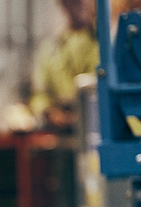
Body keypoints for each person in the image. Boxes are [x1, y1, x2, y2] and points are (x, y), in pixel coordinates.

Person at [29, 0, 99, 132]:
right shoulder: (51, 47)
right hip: (61, 133)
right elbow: (39, 94)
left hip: (97, 126)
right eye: (72, 2)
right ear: (63, 5)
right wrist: (49, 112)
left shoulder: (107, 42)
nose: (80, 5)